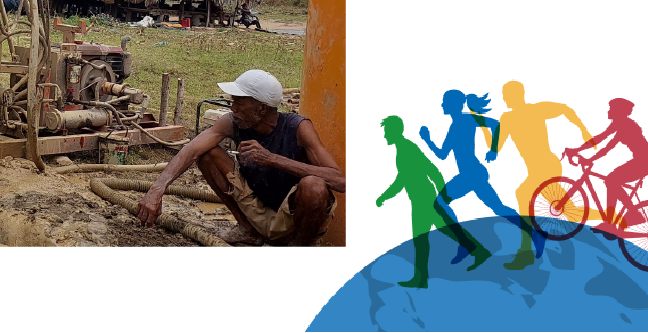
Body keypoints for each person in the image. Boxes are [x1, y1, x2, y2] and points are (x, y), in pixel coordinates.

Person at [136, 69, 345, 245]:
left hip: (292, 219)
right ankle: (248, 230)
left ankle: (297, 251)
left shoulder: (298, 127)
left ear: (262, 108)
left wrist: (272, 159)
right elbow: (192, 149)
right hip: (256, 209)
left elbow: (339, 180)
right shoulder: (232, 122)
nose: (232, 108)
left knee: (314, 187)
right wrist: (157, 190)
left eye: (239, 103)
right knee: (207, 153)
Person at [420, 89, 544, 263]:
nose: (442, 104)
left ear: (454, 104)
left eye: (444, 102)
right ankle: (535, 234)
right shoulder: (454, 125)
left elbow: (496, 125)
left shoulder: (466, 119)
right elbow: (442, 154)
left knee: (439, 204)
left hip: (471, 173)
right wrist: (427, 140)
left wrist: (494, 149)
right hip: (473, 174)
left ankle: (468, 246)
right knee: (498, 208)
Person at [486, 80, 593, 267]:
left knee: (523, 194)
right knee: (570, 211)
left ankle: (525, 252)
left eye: (507, 95)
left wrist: (583, 131)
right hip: (538, 169)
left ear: (518, 95)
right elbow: (495, 148)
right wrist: (484, 128)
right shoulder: (507, 119)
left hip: (547, 166)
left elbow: (565, 109)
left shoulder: (536, 110)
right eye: (504, 95)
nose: (504, 99)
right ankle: (612, 216)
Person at [377, 115, 490, 286]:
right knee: (438, 233)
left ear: (395, 131)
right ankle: (478, 252)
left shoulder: (407, 148)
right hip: (422, 198)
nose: (385, 135)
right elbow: (403, 179)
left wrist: (443, 197)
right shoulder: (403, 149)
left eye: (387, 131)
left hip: (424, 199)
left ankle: (422, 278)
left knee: (429, 236)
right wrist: (385, 195)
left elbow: (430, 169)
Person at [565, 97, 647, 235]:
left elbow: (607, 147)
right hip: (642, 161)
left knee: (611, 180)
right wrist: (579, 151)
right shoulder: (619, 124)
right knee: (612, 180)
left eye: (612, 109)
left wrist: (585, 155)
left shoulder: (626, 125)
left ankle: (631, 215)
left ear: (619, 112)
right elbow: (600, 139)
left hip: (643, 161)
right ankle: (612, 222)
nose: (609, 111)